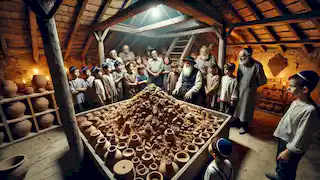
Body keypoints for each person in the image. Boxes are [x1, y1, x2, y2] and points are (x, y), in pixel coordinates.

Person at [265, 70, 319, 180]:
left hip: (292, 145)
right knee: (280, 161)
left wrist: (289, 151)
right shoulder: (296, 102)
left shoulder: (310, 110)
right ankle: (278, 175)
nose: (288, 88)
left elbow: (302, 135)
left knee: (288, 167)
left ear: (304, 89)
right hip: (285, 139)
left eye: (292, 86)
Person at [234, 48, 267, 134]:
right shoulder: (241, 65)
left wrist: (252, 87)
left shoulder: (257, 65)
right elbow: (238, 77)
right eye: (240, 57)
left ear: (249, 56)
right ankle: (237, 122)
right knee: (238, 107)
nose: (241, 59)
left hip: (249, 91)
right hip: (240, 89)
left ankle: (244, 126)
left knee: (246, 109)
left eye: (243, 57)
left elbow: (262, 80)